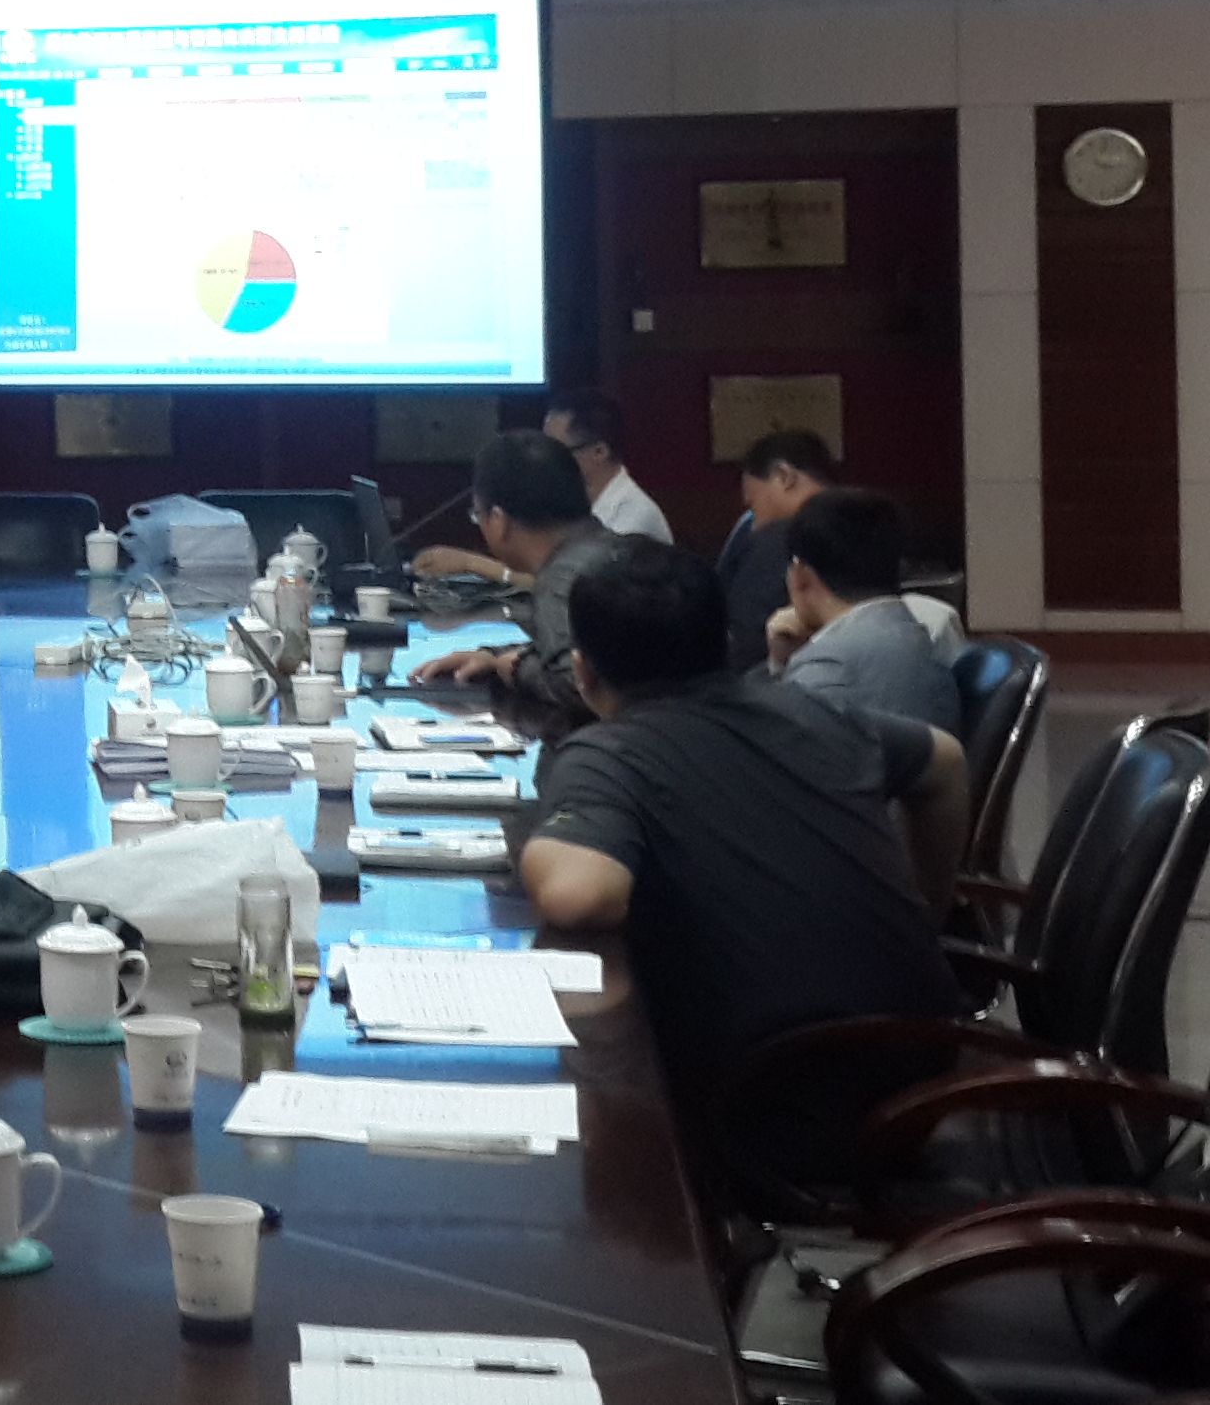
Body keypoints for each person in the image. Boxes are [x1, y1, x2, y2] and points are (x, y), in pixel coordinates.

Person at [520, 548, 968, 1186]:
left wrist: (534, 845)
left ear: (584, 672)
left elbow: (580, 894)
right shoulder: (819, 712)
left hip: (777, 1104)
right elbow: (945, 761)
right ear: (726, 644)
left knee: (577, 1164)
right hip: (925, 1068)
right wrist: (930, 912)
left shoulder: (608, 751)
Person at [408, 431, 637, 724]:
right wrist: (496, 658)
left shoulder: (561, 578)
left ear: (499, 521)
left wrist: (516, 668)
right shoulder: (615, 548)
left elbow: (580, 685)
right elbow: (594, 657)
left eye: (478, 515)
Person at [767, 487, 966, 734]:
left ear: (801, 576)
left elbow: (772, 745)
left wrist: (779, 667)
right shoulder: (928, 637)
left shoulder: (827, 665)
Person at [716, 430, 837, 674]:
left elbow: (746, 633)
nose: (753, 518)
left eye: (753, 502)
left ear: (784, 476)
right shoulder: (868, 526)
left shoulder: (780, 537)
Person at [546, 388, 673, 544]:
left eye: (556, 450)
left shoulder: (633, 518)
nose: (545, 458)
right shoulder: (567, 503)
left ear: (599, 452)